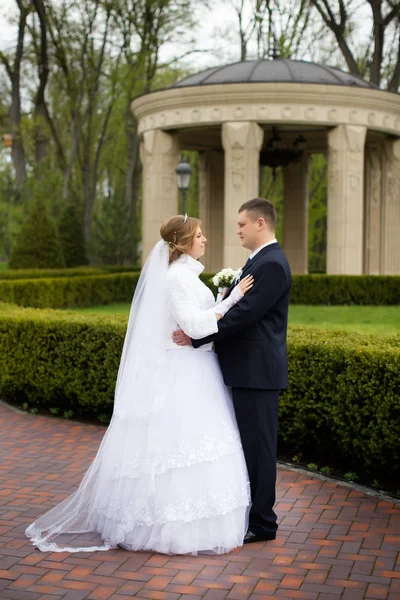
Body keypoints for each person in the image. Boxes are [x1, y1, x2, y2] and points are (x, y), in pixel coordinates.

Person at [25, 215, 253, 555]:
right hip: (183, 374)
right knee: (177, 449)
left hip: (198, 367)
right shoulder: (176, 278)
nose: (205, 239)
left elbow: (194, 319)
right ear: (182, 242)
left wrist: (220, 296)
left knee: (197, 448)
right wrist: (232, 300)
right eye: (199, 235)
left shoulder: (188, 276)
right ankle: (168, 528)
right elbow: (193, 324)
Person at [173, 198, 292, 544]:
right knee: (251, 446)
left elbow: (244, 316)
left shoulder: (270, 264)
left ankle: (263, 523)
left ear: (260, 224)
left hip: (258, 374)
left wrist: (198, 338)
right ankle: (254, 516)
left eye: (241, 224)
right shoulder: (259, 261)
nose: (236, 230)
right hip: (247, 371)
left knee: (260, 449)